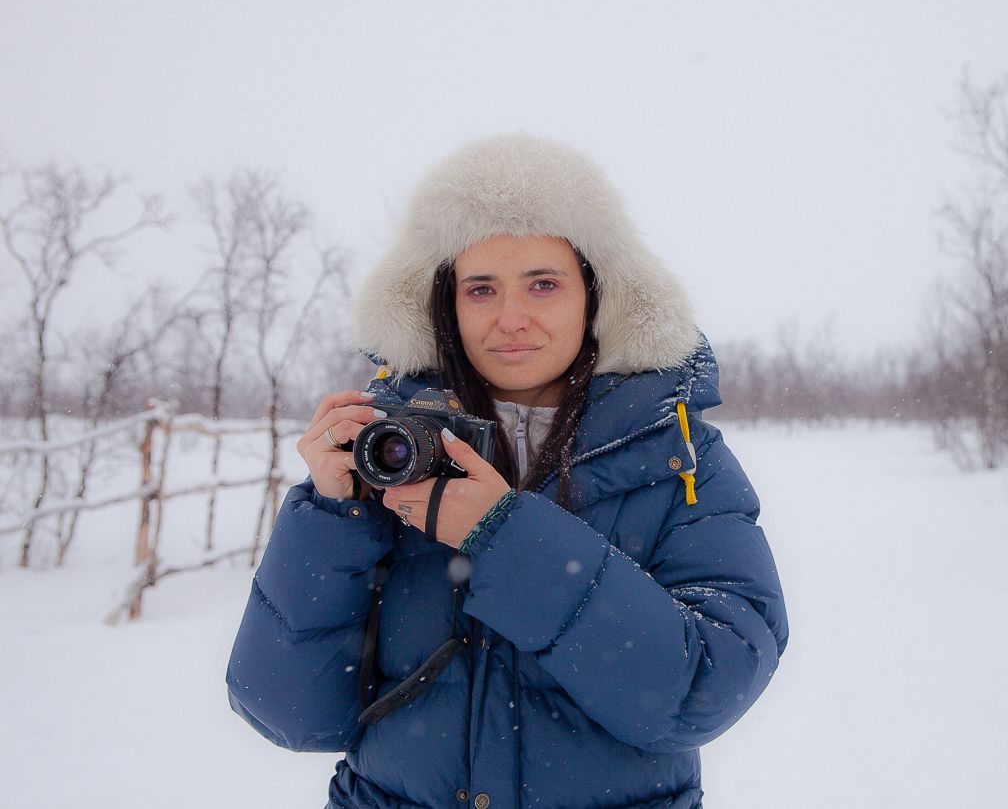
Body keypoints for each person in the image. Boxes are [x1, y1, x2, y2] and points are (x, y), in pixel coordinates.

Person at [227, 133, 788, 809]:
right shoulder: (390, 454)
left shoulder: (676, 457)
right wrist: (329, 514)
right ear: (444, 303)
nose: (510, 318)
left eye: (543, 284)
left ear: (596, 296)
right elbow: (289, 714)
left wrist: (502, 536)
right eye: (480, 287)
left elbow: (704, 687)